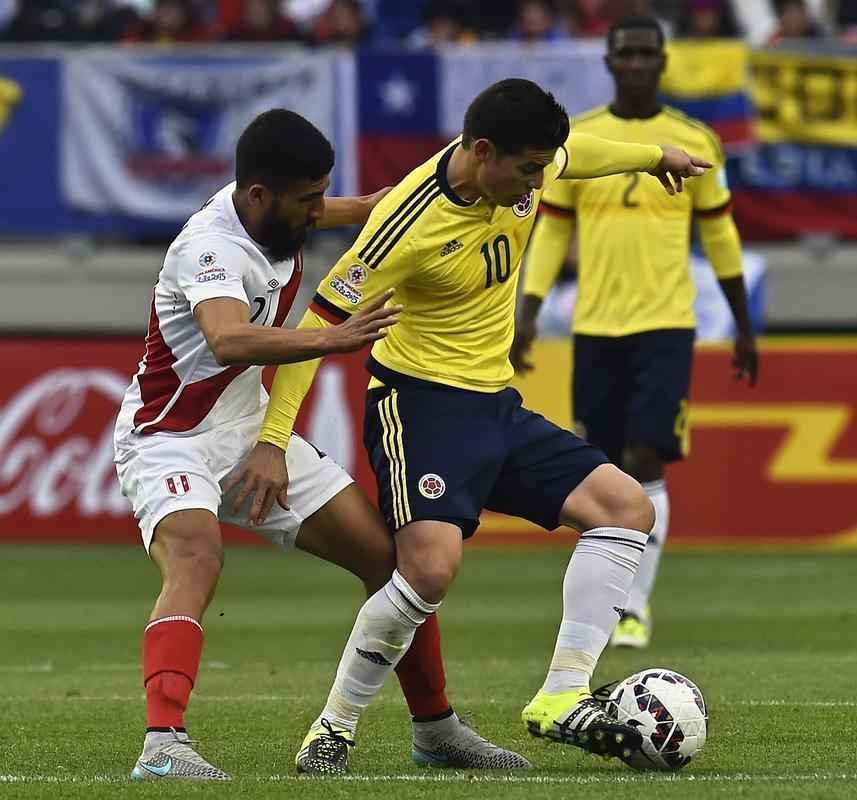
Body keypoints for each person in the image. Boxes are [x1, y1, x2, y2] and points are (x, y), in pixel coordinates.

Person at [231, 78, 713, 770]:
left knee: (626, 508)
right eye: (527, 169)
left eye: (544, 166)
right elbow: (317, 329)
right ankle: (333, 727)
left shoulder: (526, 165)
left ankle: (561, 695)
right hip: (419, 406)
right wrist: (273, 442)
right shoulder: (405, 221)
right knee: (429, 571)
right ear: (480, 151)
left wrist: (651, 155)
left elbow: (585, 154)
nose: (540, 181)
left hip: (495, 403)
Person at [112, 108, 528, 781]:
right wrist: (329, 339)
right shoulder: (208, 248)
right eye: (308, 200)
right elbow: (228, 338)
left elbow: (328, 210)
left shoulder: (274, 208)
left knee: (390, 564)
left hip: (246, 429)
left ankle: (437, 728)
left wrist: (371, 206)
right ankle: (163, 746)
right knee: (196, 556)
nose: (317, 211)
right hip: (170, 438)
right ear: (258, 196)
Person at [511, 17, 758, 650]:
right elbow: (555, 230)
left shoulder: (694, 138)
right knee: (606, 471)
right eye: (628, 53)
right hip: (595, 326)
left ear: (663, 60)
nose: (639, 63)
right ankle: (610, 604)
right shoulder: (583, 139)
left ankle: (634, 608)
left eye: (649, 53)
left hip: (667, 323)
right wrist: (530, 309)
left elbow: (721, 232)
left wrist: (744, 323)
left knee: (645, 460)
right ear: (611, 60)